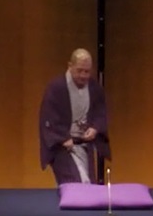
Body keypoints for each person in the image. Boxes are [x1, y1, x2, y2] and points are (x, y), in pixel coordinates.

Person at [39, 48, 111, 185]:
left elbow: (101, 112)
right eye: (79, 70)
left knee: (88, 184)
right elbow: (48, 118)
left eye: (87, 71)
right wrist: (62, 138)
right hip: (63, 146)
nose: (83, 75)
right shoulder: (56, 88)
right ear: (70, 66)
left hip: (85, 145)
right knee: (75, 183)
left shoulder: (94, 88)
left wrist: (95, 128)